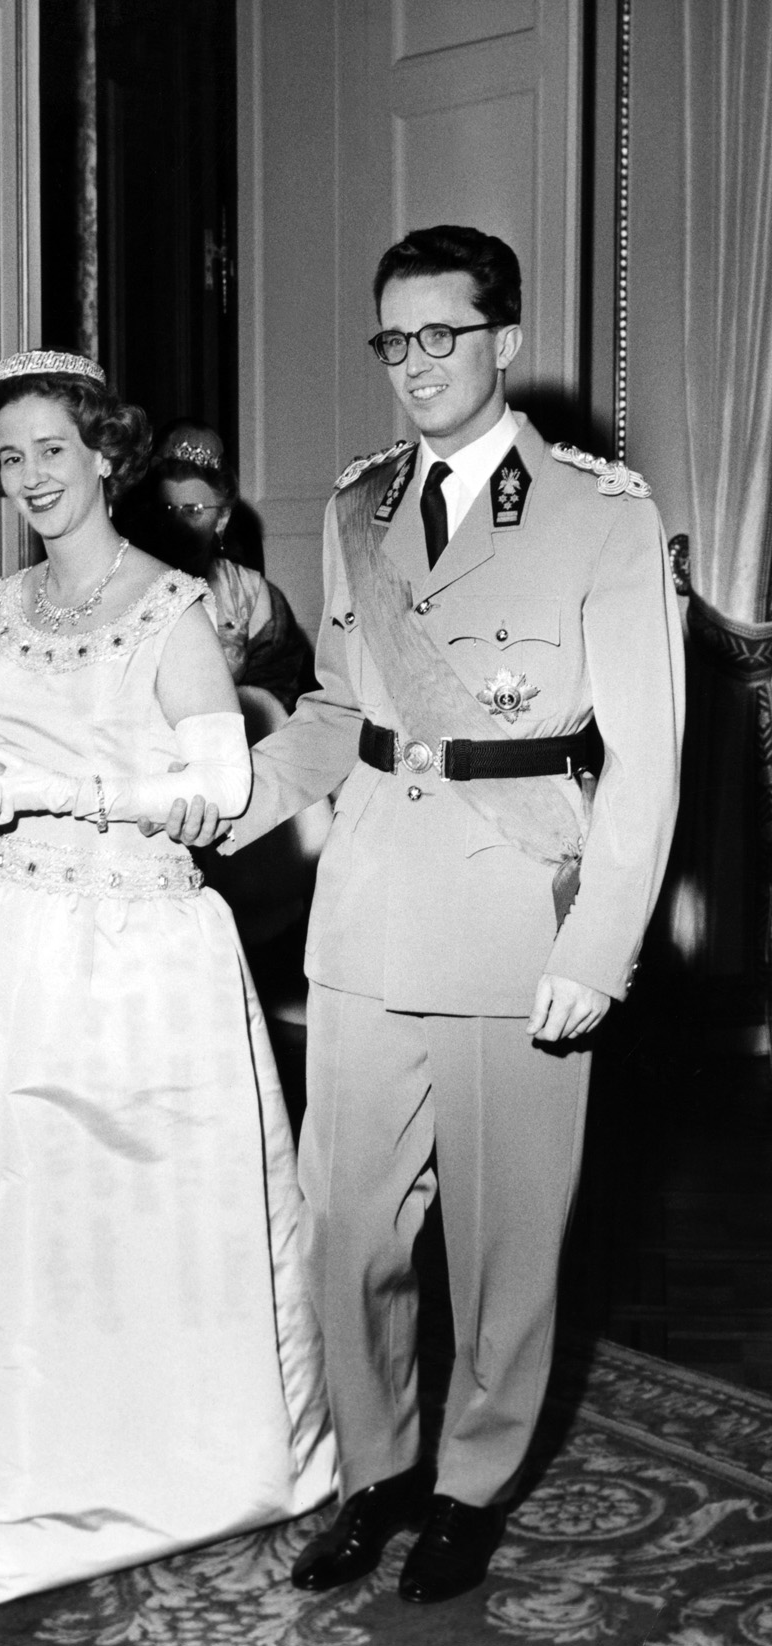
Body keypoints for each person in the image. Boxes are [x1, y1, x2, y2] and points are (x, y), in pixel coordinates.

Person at [166, 226, 684, 1605]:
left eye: (441, 335)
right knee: (346, 1229)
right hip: (369, 917)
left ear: (504, 339)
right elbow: (343, 711)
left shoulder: (601, 514)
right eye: (393, 341)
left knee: (507, 1240)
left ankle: (465, 1486)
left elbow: (648, 753)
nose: (415, 365)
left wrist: (599, 945)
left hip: (521, 923)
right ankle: (378, 1464)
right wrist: (229, 793)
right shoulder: (358, 506)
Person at [0, 349, 334, 1612]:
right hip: (10, 927)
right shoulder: (11, 601)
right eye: (11, 458)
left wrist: (53, 788)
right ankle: (21, 1456)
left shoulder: (173, 607)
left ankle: (161, 1467)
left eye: (53, 449)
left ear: (107, 454)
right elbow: (24, 735)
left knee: (128, 1217)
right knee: (12, 1213)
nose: (33, 477)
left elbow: (218, 793)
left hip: (136, 942)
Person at [139, 420, 314, 713]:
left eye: (193, 511)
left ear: (221, 519)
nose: (177, 525)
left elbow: (282, 696)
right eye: (167, 510)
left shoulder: (251, 595)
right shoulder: (126, 582)